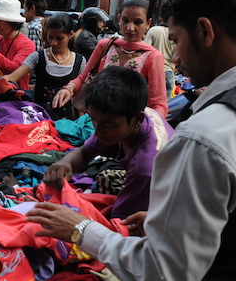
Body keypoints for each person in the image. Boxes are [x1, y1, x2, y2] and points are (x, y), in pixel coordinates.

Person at [27, 0, 236, 280]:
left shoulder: (207, 135)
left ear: (205, 31)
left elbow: (164, 270)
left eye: (175, 40)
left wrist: (81, 229)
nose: (175, 58)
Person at [44, 66, 173, 219]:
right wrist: (65, 163)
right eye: (92, 119)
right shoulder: (124, 118)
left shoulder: (144, 166)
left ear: (137, 119)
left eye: (108, 125)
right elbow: (86, 152)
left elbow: (119, 223)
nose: (97, 132)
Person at [53, 0, 168, 118]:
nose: (130, 27)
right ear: (119, 19)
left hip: (129, 129)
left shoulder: (152, 57)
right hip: (97, 121)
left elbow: (159, 104)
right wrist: (68, 89)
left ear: (148, 23)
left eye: (138, 22)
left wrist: (147, 127)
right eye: (125, 20)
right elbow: (84, 77)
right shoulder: (106, 46)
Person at [0, 13, 85, 119]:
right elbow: (13, 76)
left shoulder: (80, 61)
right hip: (39, 119)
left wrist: (80, 122)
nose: (53, 43)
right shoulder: (38, 57)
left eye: (59, 39)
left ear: (71, 35)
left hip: (68, 121)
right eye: (50, 37)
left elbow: (80, 95)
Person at [0, 0, 36, 90]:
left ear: (12, 21)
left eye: (0, 20)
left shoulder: (27, 44)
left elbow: (16, 69)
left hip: (15, 97)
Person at [145, 16, 176, 98]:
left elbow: (145, 51)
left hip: (153, 71)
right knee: (167, 104)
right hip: (168, 72)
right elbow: (177, 56)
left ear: (160, 19)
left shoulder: (154, 30)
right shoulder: (174, 33)